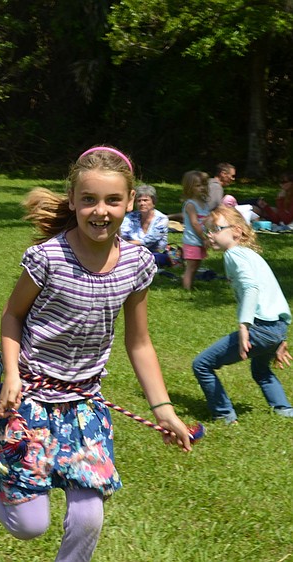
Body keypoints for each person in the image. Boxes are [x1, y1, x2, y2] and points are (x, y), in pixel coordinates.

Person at [0, 146, 193, 562]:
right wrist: (11, 374)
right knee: (30, 526)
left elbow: (139, 342)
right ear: (73, 200)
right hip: (31, 402)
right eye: (90, 199)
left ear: (130, 202)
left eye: (113, 200)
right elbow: (12, 316)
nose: (101, 211)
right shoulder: (49, 258)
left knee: (88, 516)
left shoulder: (137, 263)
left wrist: (163, 408)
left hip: (83, 406)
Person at [193, 206, 293, 424]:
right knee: (260, 369)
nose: (210, 235)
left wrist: (244, 326)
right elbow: (273, 292)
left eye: (216, 229)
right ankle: (284, 410)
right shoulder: (251, 255)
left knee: (202, 364)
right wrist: (280, 337)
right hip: (276, 327)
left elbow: (251, 289)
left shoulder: (233, 255)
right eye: (208, 230)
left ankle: (224, 415)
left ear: (237, 231)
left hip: (259, 328)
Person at [119, 183, 171, 267]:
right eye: (139, 201)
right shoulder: (130, 217)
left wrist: (124, 245)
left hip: (155, 253)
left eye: (145, 200)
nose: (142, 203)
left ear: (153, 202)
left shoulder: (161, 219)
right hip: (132, 251)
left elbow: (147, 242)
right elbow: (122, 235)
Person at [180, 170, 211, 290]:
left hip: (201, 239)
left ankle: (190, 285)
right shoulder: (191, 204)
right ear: (190, 187)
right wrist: (203, 238)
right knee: (191, 267)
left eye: (204, 185)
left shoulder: (204, 203)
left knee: (197, 265)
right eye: (198, 185)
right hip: (193, 240)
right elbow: (194, 223)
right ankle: (187, 289)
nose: (202, 188)